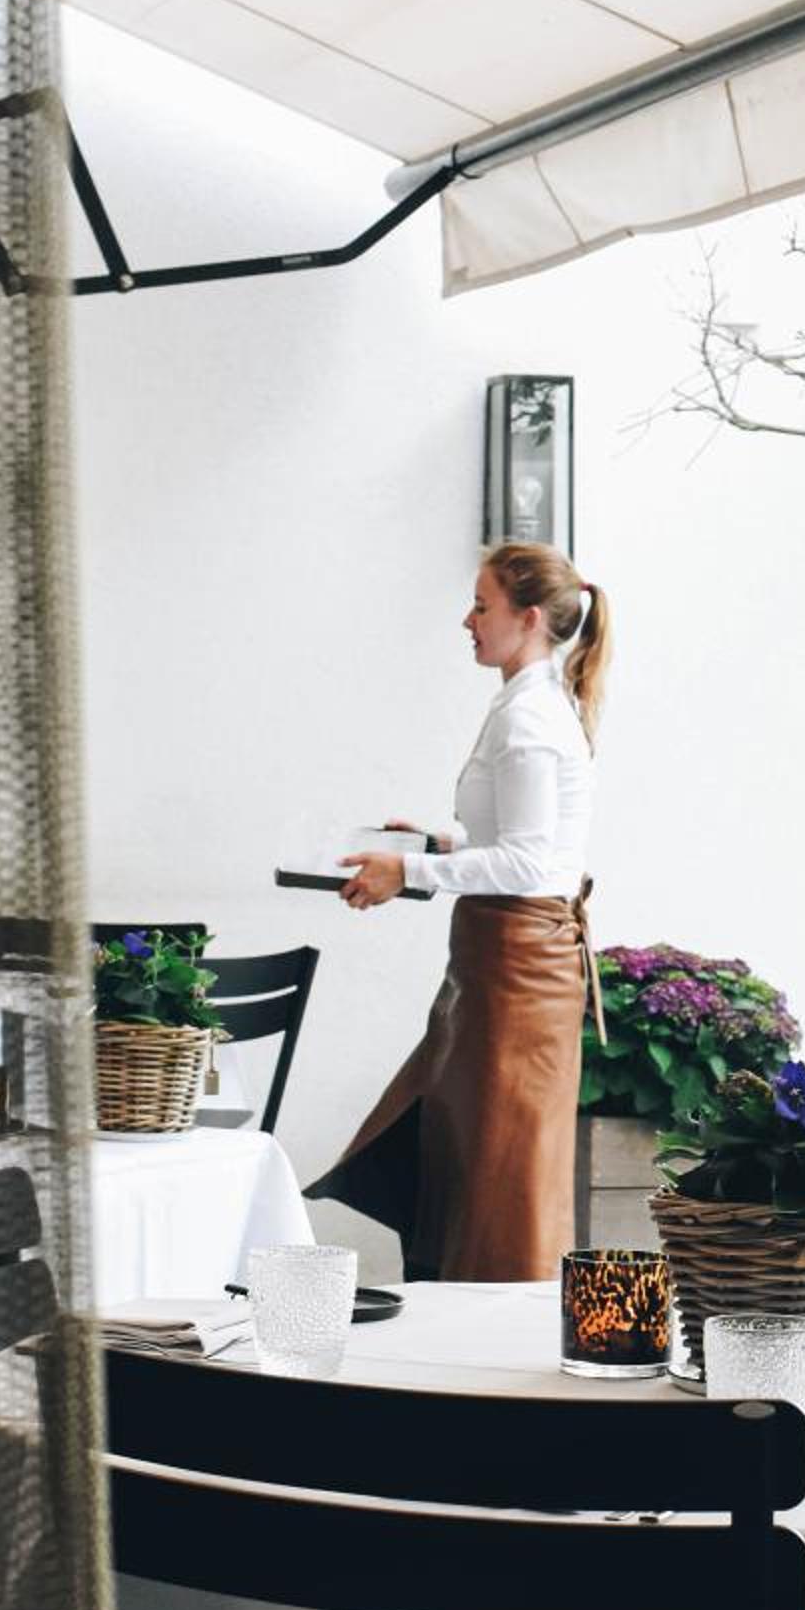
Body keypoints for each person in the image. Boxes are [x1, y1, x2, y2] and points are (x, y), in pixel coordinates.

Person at [310, 542, 609, 1280]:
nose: (467, 621)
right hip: (499, 962)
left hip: (517, 972)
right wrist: (439, 843)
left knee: (500, 1172)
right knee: (471, 1158)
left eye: (482, 606)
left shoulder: (530, 720)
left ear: (529, 619)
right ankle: (469, 1312)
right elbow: (523, 846)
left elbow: (529, 865)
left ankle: (494, 1327)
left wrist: (408, 871)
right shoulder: (526, 706)